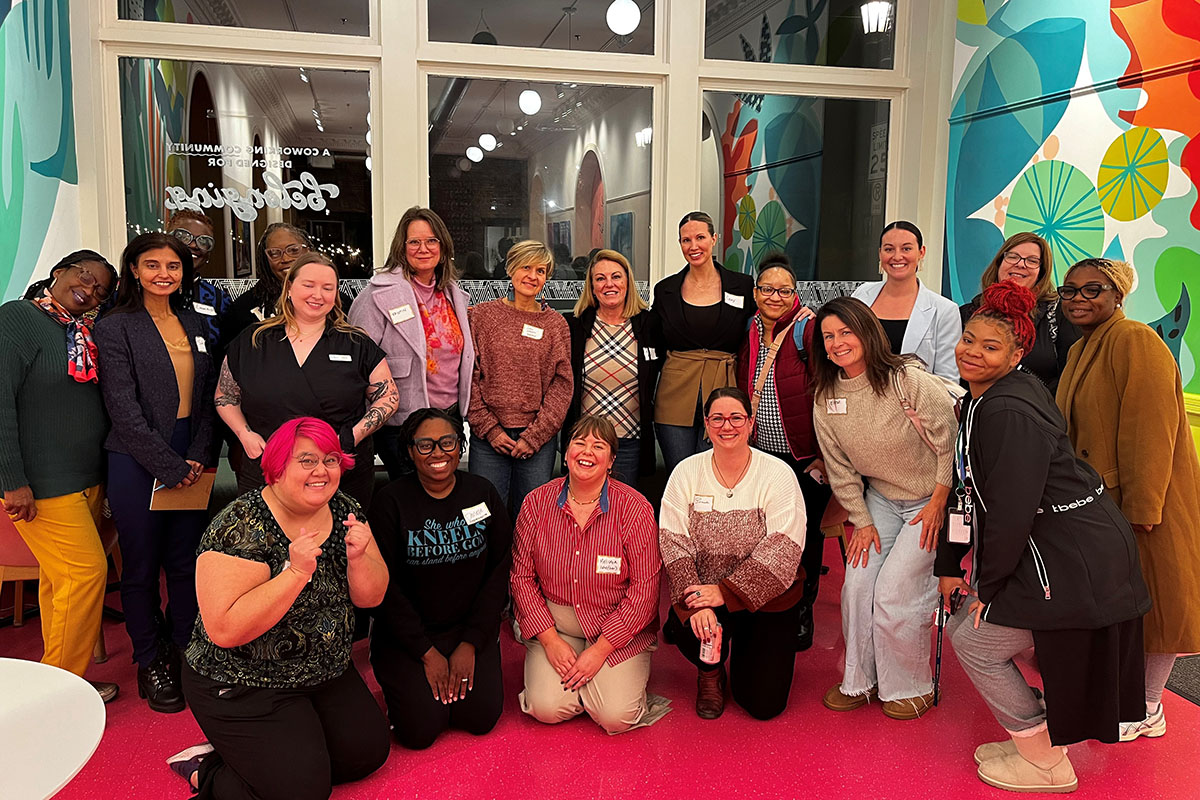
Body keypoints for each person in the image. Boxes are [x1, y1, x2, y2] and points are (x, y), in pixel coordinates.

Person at [938, 281, 1149, 793]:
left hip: (1073, 556)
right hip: (1068, 547)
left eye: (990, 347)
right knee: (994, 638)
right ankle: (1038, 739)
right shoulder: (988, 397)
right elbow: (975, 495)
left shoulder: (1006, 410)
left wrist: (988, 587)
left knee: (974, 641)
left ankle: (1046, 761)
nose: (972, 353)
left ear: (1017, 353)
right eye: (969, 340)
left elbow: (1010, 511)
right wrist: (952, 560)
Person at [170, 418, 390, 798]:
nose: (321, 471)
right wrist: (295, 573)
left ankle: (266, 753)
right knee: (303, 790)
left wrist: (358, 559)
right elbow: (224, 630)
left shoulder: (345, 508)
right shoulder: (239, 526)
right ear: (276, 466)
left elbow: (372, 597)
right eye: (306, 460)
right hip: (243, 679)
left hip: (323, 669)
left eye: (331, 460)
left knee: (366, 753)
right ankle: (206, 771)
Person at [1055, 257, 1200, 743]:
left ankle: (1150, 704)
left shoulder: (1135, 339)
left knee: (1157, 606)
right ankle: (1127, 696)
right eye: (1069, 289)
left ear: (1117, 294)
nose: (1077, 298)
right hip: (1104, 505)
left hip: (1142, 506)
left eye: (1091, 289)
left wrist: (1142, 511)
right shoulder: (1084, 348)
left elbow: (1150, 433)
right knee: (1125, 606)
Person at [811, 297, 957, 720]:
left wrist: (938, 500)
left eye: (846, 332)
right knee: (857, 586)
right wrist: (860, 520)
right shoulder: (826, 396)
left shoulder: (906, 380)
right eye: (828, 336)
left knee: (896, 593)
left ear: (867, 331)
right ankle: (859, 680)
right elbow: (839, 468)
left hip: (930, 499)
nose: (838, 343)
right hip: (880, 500)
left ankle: (911, 685)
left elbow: (948, 439)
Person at [94, 232, 216, 713]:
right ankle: (150, 659)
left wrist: (200, 454)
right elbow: (121, 408)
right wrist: (168, 465)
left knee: (185, 562)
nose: (164, 274)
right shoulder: (115, 325)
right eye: (152, 265)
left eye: (173, 266)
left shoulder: (195, 320)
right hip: (135, 458)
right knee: (142, 566)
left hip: (191, 453)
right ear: (134, 271)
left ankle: (187, 649)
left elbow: (209, 396)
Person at [0, 251, 119, 702]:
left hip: (86, 479)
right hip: (43, 483)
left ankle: (56, 675)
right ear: (58, 272)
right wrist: (11, 480)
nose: (89, 290)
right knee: (86, 572)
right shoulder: (16, 319)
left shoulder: (81, 332)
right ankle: (62, 693)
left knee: (60, 582)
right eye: (83, 277)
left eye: (100, 289)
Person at [659, 387, 807, 720]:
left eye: (736, 417)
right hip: (705, 594)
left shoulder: (777, 473)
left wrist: (725, 592)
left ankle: (744, 651)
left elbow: (784, 548)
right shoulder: (685, 472)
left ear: (751, 422)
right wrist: (696, 600)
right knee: (688, 626)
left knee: (762, 704)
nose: (728, 426)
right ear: (707, 424)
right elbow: (673, 541)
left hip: (769, 597)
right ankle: (710, 672)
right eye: (718, 418)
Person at [511, 415, 664, 734]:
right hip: (557, 625)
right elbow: (522, 578)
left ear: (611, 460)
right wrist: (550, 640)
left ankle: (602, 685)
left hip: (614, 629)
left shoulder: (635, 509)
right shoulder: (536, 504)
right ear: (565, 454)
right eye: (579, 443)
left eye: (599, 445)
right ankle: (585, 686)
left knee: (615, 716)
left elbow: (645, 590)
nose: (587, 451)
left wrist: (601, 650)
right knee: (545, 708)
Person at [369, 408, 512, 749]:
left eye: (447, 442)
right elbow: (383, 587)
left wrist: (471, 642)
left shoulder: (482, 492)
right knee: (419, 732)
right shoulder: (390, 503)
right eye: (426, 445)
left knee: (480, 719)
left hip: (467, 630)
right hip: (407, 636)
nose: (438, 453)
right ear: (409, 451)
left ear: (460, 446)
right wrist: (426, 652)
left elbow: (499, 568)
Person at [216, 252, 398, 508]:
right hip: (268, 465)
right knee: (268, 545)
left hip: (338, 468)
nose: (318, 295)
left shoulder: (356, 343)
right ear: (289, 288)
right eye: (308, 285)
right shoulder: (253, 340)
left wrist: (352, 436)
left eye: (328, 288)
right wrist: (245, 435)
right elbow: (225, 396)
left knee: (341, 544)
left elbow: (388, 396)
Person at [735, 252, 831, 651]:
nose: (775, 296)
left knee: (804, 536)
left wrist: (825, 454)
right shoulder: (751, 328)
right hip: (762, 455)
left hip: (805, 457)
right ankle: (767, 597)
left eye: (784, 289)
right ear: (755, 292)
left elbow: (829, 392)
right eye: (767, 288)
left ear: (796, 292)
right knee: (766, 532)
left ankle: (801, 608)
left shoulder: (807, 330)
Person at [349, 207, 473, 479]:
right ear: (401, 247)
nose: (423, 248)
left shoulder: (456, 296)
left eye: (431, 241)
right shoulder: (377, 295)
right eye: (414, 241)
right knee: (409, 498)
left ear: (442, 245)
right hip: (401, 420)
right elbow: (357, 360)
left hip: (449, 417)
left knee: (442, 491)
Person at [466, 240, 572, 517]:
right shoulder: (482, 316)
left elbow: (562, 386)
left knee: (532, 515)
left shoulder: (556, 325)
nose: (532, 276)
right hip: (489, 438)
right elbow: (469, 376)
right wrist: (490, 429)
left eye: (540, 270)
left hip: (537, 440)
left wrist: (535, 436)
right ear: (511, 269)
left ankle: (525, 563)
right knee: (486, 514)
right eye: (526, 267)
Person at [652, 211, 755, 472]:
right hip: (674, 393)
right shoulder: (665, 290)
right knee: (679, 472)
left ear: (714, 238)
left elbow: (766, 318)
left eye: (700, 237)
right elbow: (650, 333)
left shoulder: (742, 286)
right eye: (686, 240)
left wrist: (802, 312)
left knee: (717, 469)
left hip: (724, 387)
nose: (693, 246)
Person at [563, 249, 658, 484]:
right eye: (600, 278)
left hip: (630, 441)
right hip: (585, 443)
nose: (609, 284)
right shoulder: (574, 326)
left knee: (623, 514)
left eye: (616, 276)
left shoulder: (649, 326)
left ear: (627, 282)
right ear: (592, 286)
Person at [958, 232, 1079, 391]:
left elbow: (1070, 378)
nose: (1021, 264)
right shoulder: (967, 313)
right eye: (1013, 256)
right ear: (999, 263)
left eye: (1032, 261)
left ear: (1041, 273)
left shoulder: (1058, 313)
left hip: (1034, 410)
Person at [852, 221, 961, 380]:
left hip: (915, 403)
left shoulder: (945, 310)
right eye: (889, 249)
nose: (897, 256)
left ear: (921, 252)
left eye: (906, 249)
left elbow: (948, 379)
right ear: (880, 253)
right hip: (862, 398)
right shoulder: (861, 294)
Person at [167, 209, 230, 354]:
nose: (194, 245)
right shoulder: (141, 292)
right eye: (184, 237)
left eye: (204, 242)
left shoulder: (220, 300)